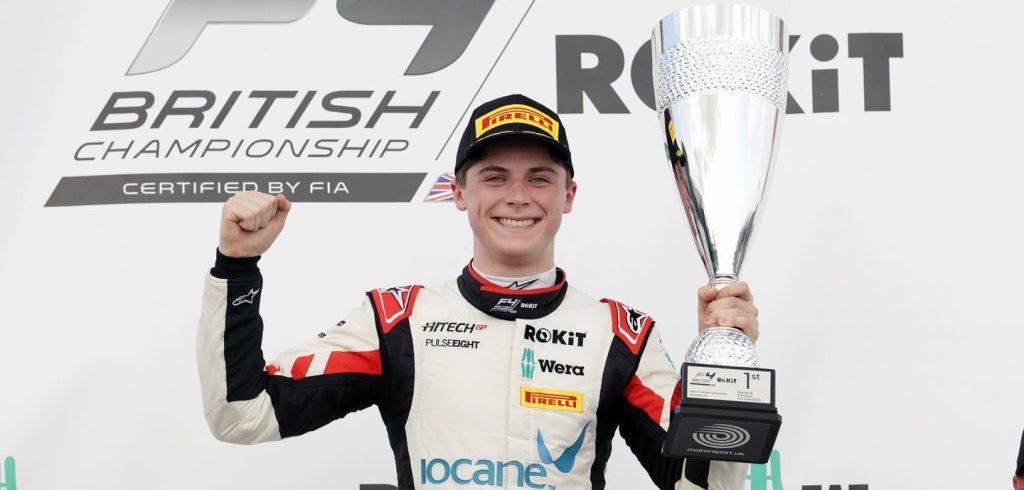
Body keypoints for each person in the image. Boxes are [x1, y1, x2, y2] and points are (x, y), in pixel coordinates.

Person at [197, 94, 761, 489]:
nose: (518, 196)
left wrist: (724, 369)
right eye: (494, 177)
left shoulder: (622, 335)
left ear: (568, 195)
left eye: (539, 177)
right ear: (459, 193)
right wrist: (236, 267)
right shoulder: (396, 320)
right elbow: (241, 414)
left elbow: (707, 486)